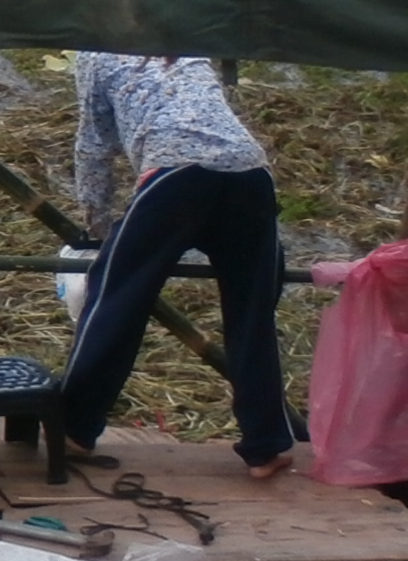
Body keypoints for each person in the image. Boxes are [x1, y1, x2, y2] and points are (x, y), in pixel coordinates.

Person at [60, 53, 298, 477]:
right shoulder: (184, 40)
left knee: (117, 294)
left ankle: (74, 427)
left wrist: (96, 230)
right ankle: (267, 444)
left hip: (176, 173)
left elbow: (94, 145)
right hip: (249, 173)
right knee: (252, 313)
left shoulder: (95, 52)